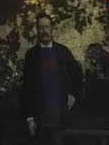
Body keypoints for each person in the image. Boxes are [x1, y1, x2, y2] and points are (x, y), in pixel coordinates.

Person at [21, 13, 83, 142]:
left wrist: (73, 94)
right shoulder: (31, 55)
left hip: (62, 114)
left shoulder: (63, 52)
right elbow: (27, 87)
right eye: (40, 27)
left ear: (51, 29)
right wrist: (29, 117)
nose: (44, 31)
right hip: (40, 116)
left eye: (46, 27)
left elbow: (77, 76)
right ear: (37, 30)